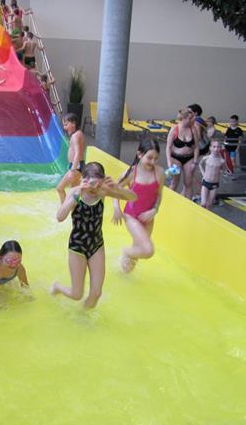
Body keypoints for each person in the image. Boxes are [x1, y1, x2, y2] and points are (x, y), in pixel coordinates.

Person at [52, 163, 137, 309]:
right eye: (91, 185)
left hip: (97, 245)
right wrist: (78, 193)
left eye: (98, 185)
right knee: (77, 294)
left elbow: (134, 197)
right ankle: (57, 287)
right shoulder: (75, 192)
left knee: (96, 293)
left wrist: (117, 188)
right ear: (83, 180)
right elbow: (60, 217)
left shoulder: (102, 191)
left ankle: (83, 317)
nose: (94, 189)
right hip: (77, 247)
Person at [112, 140, 165, 273]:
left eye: (156, 158)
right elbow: (115, 190)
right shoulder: (130, 173)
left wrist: (155, 210)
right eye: (149, 157)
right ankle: (125, 251)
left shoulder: (160, 173)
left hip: (148, 217)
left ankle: (123, 276)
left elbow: (159, 195)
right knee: (148, 250)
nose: (153, 162)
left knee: (136, 256)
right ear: (140, 154)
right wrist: (116, 207)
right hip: (132, 215)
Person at [165, 107, 199, 198]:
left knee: (188, 183)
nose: (193, 120)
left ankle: (188, 203)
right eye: (190, 118)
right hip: (176, 159)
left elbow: (196, 147)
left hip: (189, 158)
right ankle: (169, 201)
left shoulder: (193, 129)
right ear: (184, 118)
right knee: (174, 182)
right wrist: (169, 162)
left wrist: (195, 162)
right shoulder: (174, 129)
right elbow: (168, 147)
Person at [56, 113, 86, 204]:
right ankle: (73, 209)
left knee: (60, 188)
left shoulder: (75, 136)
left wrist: (73, 169)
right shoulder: (79, 134)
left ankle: (64, 208)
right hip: (79, 165)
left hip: (76, 166)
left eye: (66, 125)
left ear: (73, 124)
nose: (64, 127)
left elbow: (77, 153)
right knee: (73, 193)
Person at [198, 140, 228, 209]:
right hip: (205, 182)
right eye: (214, 147)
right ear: (210, 148)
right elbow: (200, 164)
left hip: (214, 184)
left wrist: (221, 171)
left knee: (209, 204)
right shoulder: (206, 158)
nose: (216, 149)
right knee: (203, 203)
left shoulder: (221, 161)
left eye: (218, 147)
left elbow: (224, 169)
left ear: (220, 148)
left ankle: (206, 214)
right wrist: (203, 173)